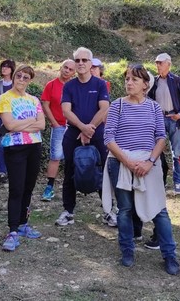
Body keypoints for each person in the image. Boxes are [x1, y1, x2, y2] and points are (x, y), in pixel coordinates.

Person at [103, 64, 180, 275]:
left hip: (149, 164)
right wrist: (127, 162)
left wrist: (149, 162)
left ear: (146, 84)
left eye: (134, 79)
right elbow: (108, 138)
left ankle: (170, 255)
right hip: (120, 163)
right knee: (125, 210)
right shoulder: (117, 105)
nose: (129, 82)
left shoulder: (154, 107)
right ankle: (127, 251)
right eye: (127, 78)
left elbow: (161, 137)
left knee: (159, 211)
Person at [55, 47, 110, 226]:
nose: (80, 64)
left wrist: (90, 129)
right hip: (73, 134)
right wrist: (82, 128)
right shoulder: (69, 86)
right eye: (77, 60)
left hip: (97, 133)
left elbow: (104, 108)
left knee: (103, 171)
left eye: (84, 60)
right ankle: (68, 211)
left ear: (90, 63)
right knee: (70, 171)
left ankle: (109, 211)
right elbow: (65, 110)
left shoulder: (100, 84)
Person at [0, 65, 46, 251]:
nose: (21, 80)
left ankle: (23, 224)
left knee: (28, 188)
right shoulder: (5, 98)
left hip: (34, 146)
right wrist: (29, 122)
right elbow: (9, 125)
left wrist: (20, 125)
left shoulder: (34, 100)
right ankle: (12, 230)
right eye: (19, 76)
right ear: (14, 76)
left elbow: (41, 124)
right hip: (15, 147)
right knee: (16, 189)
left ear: (30, 81)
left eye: (26, 78)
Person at [147, 53, 180, 195]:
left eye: (160, 63)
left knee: (177, 152)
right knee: (157, 150)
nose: (157, 65)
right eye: (156, 63)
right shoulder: (154, 81)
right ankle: (161, 181)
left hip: (174, 118)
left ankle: (178, 183)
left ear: (168, 64)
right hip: (159, 118)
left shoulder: (177, 81)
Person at [40, 59, 76, 201]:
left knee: (73, 157)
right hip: (58, 125)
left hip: (73, 126)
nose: (67, 70)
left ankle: (73, 186)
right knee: (55, 156)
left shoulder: (75, 86)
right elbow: (45, 104)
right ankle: (49, 187)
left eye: (70, 69)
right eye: (65, 67)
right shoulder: (51, 85)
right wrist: (54, 122)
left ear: (74, 72)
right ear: (61, 68)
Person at [0, 59, 15, 184]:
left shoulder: (16, 84)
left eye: (7, 67)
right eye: (2, 66)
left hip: (14, 117)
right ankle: (2, 171)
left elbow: (15, 100)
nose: (4, 69)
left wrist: (0, 97)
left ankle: (13, 169)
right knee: (1, 144)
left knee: (13, 143)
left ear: (12, 69)